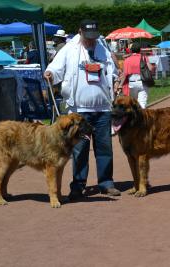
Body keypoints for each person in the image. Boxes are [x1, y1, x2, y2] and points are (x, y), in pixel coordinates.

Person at [44, 19, 121, 199]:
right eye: (88, 37)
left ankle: (106, 183)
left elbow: (113, 70)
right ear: (80, 32)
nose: (91, 41)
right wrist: (50, 74)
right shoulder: (69, 49)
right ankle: (78, 185)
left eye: (94, 37)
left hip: (103, 108)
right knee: (79, 150)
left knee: (104, 148)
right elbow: (56, 68)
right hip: (79, 111)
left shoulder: (103, 48)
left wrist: (116, 79)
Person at [117, 42, 154, 108]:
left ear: (131, 50)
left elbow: (124, 74)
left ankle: (135, 117)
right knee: (142, 103)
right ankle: (141, 117)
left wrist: (120, 85)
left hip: (132, 83)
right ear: (140, 50)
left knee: (133, 103)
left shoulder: (127, 60)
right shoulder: (144, 58)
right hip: (143, 81)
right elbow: (150, 68)